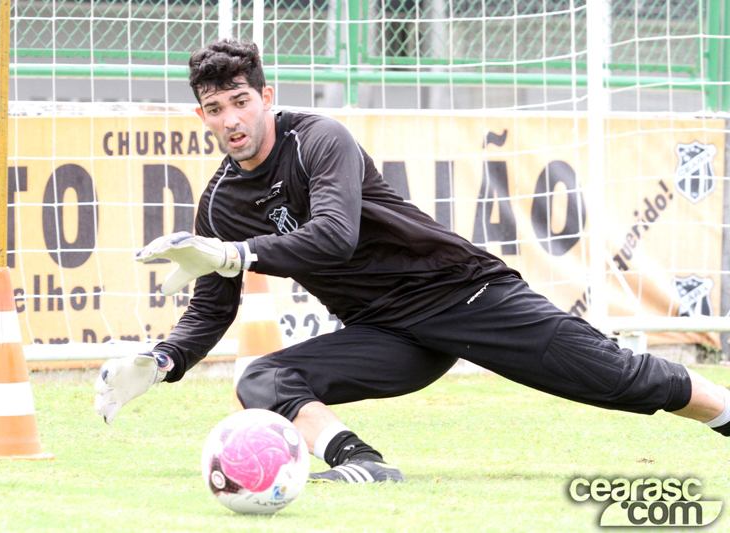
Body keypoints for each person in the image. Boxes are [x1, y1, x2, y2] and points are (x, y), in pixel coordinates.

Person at [95, 38, 730, 483]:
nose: (231, 119)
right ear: (201, 115)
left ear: (264, 95)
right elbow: (211, 307)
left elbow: (335, 236)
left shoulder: (319, 137)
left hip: (461, 293)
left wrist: (238, 253)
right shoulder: (220, 204)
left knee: (616, 377)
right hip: (386, 332)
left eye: (240, 100)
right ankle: (359, 463)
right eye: (215, 108)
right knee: (260, 382)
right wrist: (163, 359)